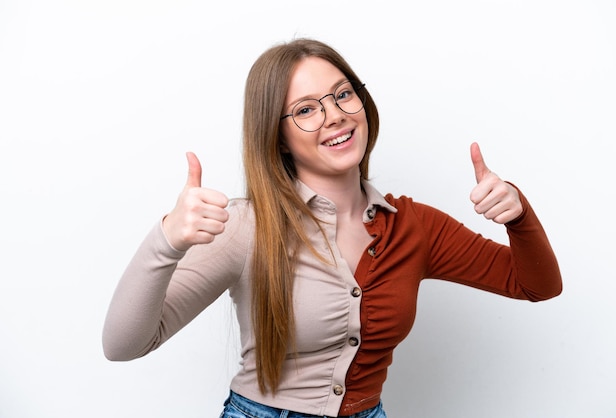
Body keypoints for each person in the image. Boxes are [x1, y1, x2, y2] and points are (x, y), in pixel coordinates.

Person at [102, 38, 562, 418]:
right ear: (276, 136)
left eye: (343, 94)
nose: (335, 115)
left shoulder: (414, 226)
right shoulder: (246, 227)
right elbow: (124, 345)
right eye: (305, 109)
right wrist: (166, 240)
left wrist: (519, 215)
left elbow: (537, 285)